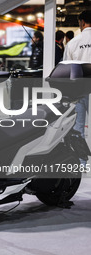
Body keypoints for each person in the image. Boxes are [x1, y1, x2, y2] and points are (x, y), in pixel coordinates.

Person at [63, 10, 91, 165]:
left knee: (78, 128)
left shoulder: (73, 42)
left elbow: (67, 69)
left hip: (79, 89)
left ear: (82, 22)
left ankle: (81, 163)